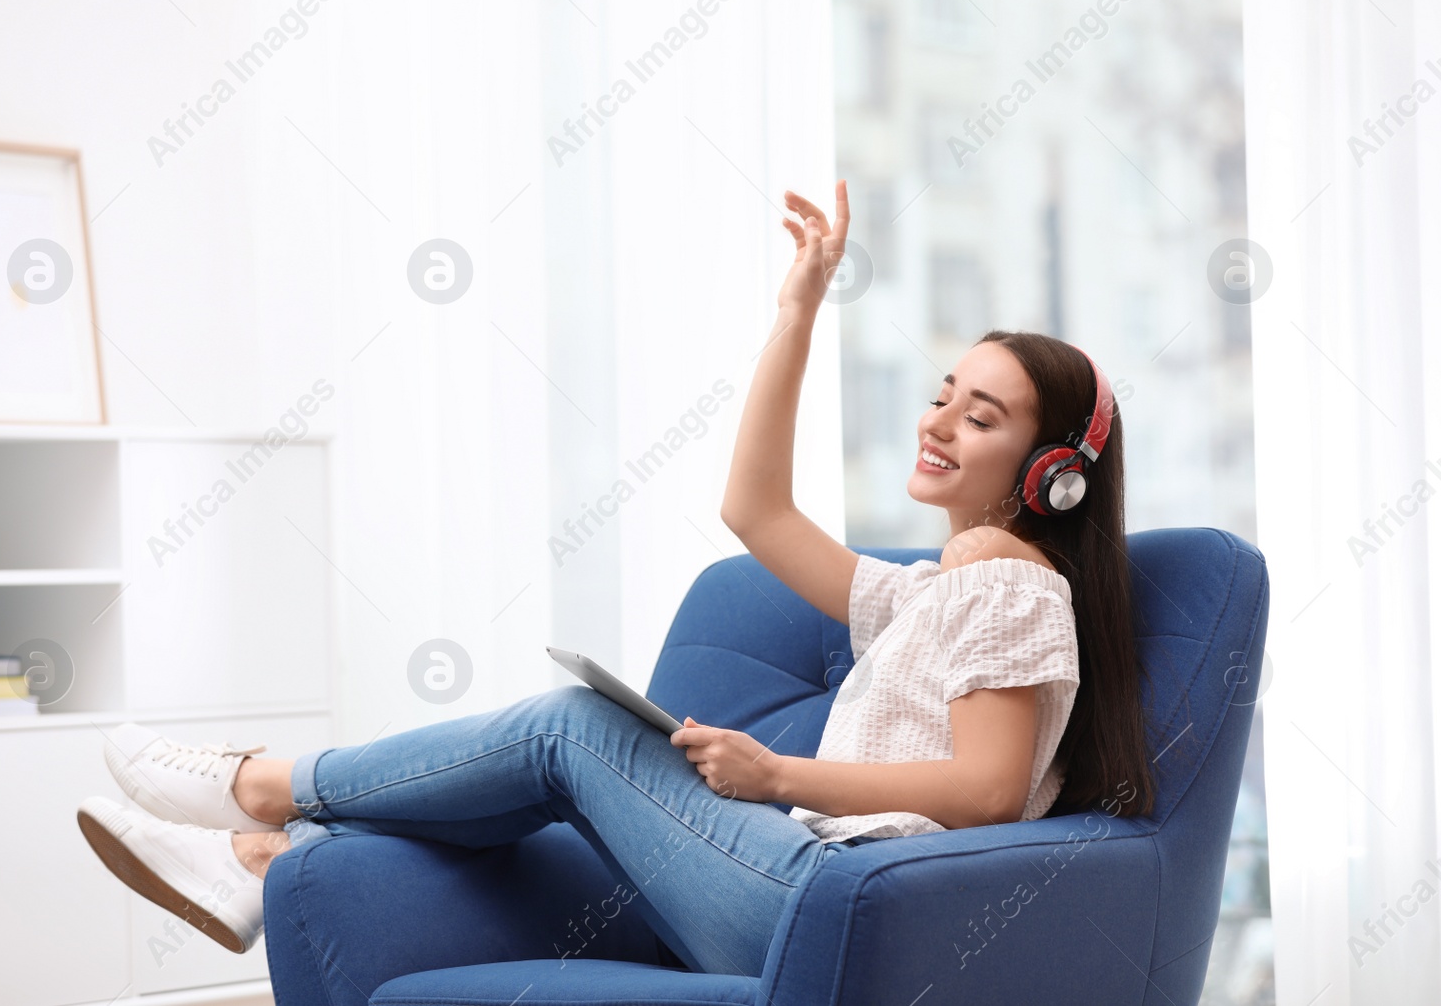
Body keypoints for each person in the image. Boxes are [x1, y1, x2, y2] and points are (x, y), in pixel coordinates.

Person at [76, 180, 1154, 978]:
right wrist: (795, 313)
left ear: (1052, 475)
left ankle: (260, 782)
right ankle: (262, 855)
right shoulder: (935, 588)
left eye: (981, 416)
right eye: (941, 395)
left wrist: (775, 776)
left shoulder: (1013, 587)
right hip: (793, 870)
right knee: (543, 780)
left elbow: (987, 790)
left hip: (832, 895)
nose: (938, 423)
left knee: (571, 728)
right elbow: (757, 513)